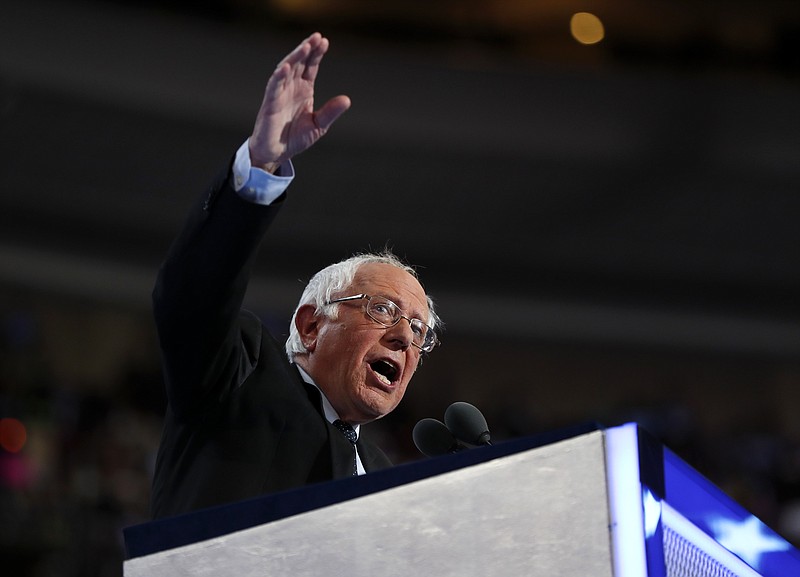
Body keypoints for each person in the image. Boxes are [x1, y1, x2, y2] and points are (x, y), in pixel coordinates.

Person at [149, 33, 442, 519]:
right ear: (310, 325)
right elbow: (191, 297)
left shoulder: (389, 479)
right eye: (384, 310)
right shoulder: (240, 376)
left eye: (419, 331)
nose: (403, 338)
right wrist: (259, 170)